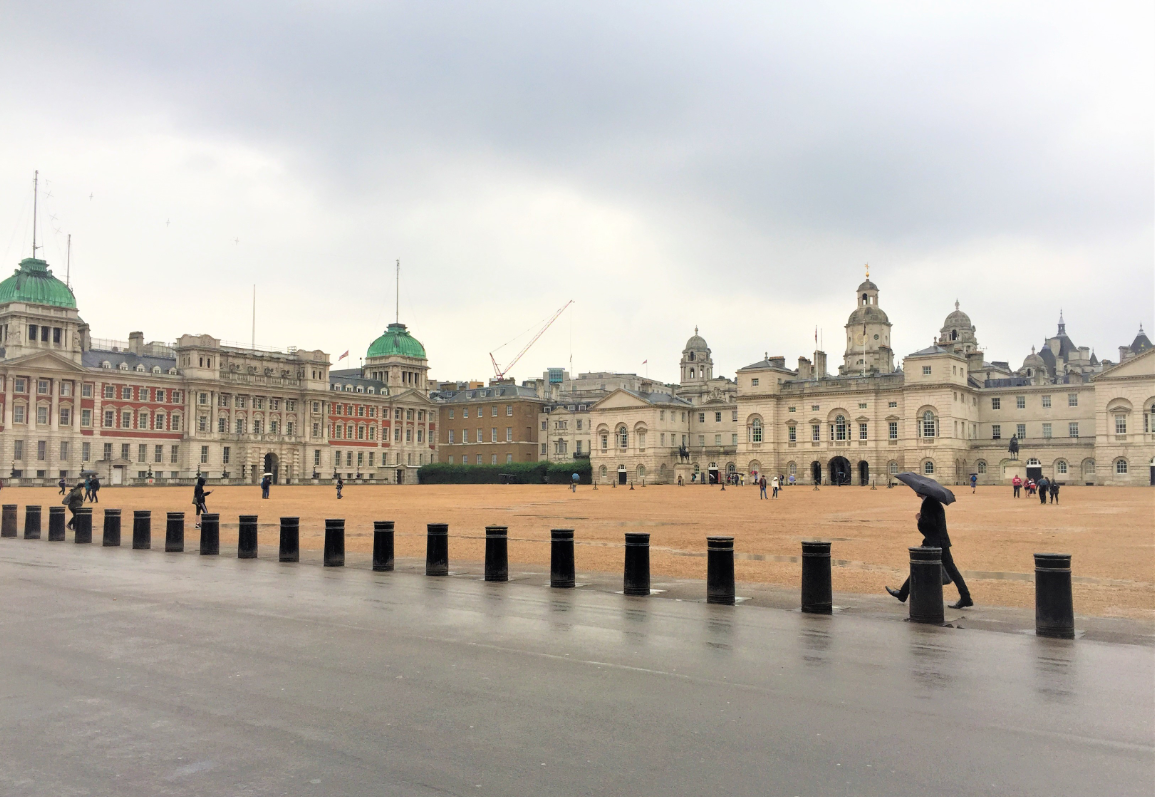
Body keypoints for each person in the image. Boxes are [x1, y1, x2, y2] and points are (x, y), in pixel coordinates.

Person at [886, 492, 973, 609]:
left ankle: (966, 597)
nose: (915, 492)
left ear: (922, 491)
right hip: (936, 541)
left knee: (947, 570)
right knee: (921, 567)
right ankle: (903, 593)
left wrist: (919, 519)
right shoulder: (931, 501)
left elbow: (931, 524)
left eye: (916, 490)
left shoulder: (929, 502)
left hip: (936, 543)